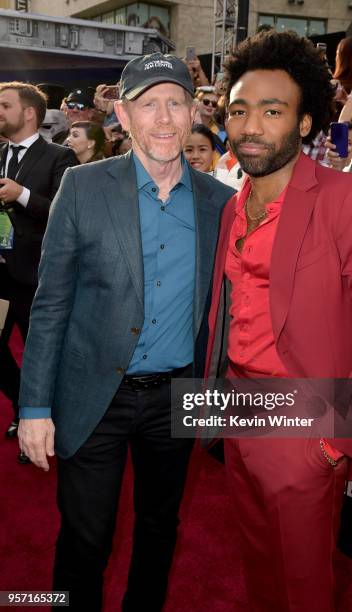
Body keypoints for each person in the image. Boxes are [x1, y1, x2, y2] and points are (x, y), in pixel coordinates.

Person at [204, 30, 352, 612]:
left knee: (304, 589)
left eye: (272, 111)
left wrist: (333, 440)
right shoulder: (231, 206)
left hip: (306, 417)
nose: (251, 126)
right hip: (239, 411)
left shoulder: (349, 201)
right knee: (258, 567)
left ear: (304, 124)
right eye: (240, 110)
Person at [18, 53, 234, 611]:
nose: (163, 118)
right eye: (147, 104)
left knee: (161, 528)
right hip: (94, 393)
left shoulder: (222, 204)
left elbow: (227, 310)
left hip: (177, 397)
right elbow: (50, 304)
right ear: (122, 113)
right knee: (86, 538)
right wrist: (35, 407)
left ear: (193, 112)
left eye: (174, 103)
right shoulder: (82, 186)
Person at [0, 82, 78, 456]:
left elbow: (67, 215)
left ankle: (42, 422)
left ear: (29, 112)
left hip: (37, 278)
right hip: (0, 275)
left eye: (4, 105)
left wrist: (22, 195)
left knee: (40, 354)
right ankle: (20, 405)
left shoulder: (59, 158)